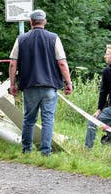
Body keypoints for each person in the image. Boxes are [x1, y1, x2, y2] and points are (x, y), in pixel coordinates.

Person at [9, 9, 73, 156]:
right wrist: (68, 82)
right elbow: (62, 63)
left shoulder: (21, 39)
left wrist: (12, 84)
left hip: (29, 86)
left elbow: (13, 63)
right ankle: (46, 152)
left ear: (30, 22)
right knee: (48, 120)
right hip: (49, 86)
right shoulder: (54, 38)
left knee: (28, 119)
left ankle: (26, 150)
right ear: (44, 21)